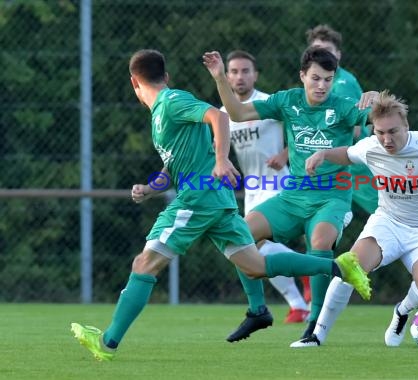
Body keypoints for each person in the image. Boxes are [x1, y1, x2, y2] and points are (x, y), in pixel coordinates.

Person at [69, 49, 371, 361]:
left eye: (327, 79)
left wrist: (221, 159)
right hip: (218, 200)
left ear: (134, 82)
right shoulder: (160, 113)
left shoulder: (172, 101)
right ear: (166, 76)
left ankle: (107, 342)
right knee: (256, 267)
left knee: (143, 264)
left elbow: (221, 115)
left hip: (199, 200)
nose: (321, 84)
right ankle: (337, 267)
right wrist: (150, 188)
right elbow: (172, 167)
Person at [306, 24, 418, 318]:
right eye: (317, 52)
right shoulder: (317, 85)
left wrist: (372, 102)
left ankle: (317, 310)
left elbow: (362, 121)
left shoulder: (342, 83)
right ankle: (314, 312)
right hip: (346, 163)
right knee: (321, 231)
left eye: (328, 52)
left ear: (339, 55)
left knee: (398, 222)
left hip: (365, 168)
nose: (323, 57)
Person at [203, 46, 374, 343]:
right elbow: (237, 112)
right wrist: (219, 77)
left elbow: (382, 122)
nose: (322, 85)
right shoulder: (287, 100)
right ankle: (257, 310)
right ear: (302, 76)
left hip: (332, 196)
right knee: (237, 233)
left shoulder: (344, 107)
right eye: (316, 78)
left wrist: (377, 99)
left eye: (328, 79)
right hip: (293, 195)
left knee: (319, 240)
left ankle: (315, 325)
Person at [290, 90, 418, 348]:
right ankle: (316, 336)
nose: (386, 139)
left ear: (406, 126)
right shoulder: (371, 147)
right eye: (380, 132)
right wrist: (323, 154)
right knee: (348, 268)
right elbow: (347, 154)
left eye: (393, 131)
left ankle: (402, 312)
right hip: (388, 223)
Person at [224, 49, 310, 324]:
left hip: (278, 183)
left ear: (255, 75)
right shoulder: (225, 113)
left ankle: (303, 283)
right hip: (252, 188)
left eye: (245, 71)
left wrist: (285, 154)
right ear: (226, 76)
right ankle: (299, 301)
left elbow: (301, 127)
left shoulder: (267, 103)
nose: (240, 76)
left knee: (250, 244)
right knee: (252, 251)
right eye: (234, 71)